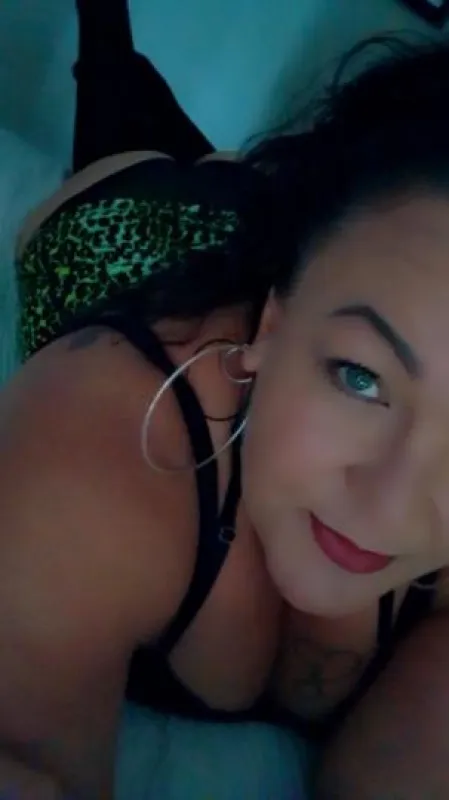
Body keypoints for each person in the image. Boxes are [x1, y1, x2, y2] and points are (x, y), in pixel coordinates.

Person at [3, 0, 449, 796]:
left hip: (303, 248)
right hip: (129, 235)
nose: (388, 508)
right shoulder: (96, 446)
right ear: (270, 324)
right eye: (360, 376)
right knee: (117, 116)